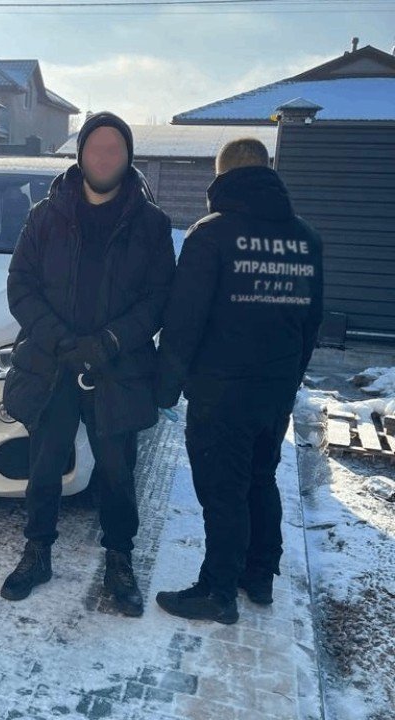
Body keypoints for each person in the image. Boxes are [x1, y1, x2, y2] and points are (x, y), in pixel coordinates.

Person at [1, 111, 176, 616]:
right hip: (52, 364)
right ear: (80, 154)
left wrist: (110, 342)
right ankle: (38, 552)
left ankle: (119, 559)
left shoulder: (151, 224)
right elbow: (21, 285)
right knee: (43, 467)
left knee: (118, 473)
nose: (104, 157)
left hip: (117, 368)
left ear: (128, 157)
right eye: (96, 147)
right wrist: (59, 340)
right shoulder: (45, 216)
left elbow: (159, 299)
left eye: (114, 149)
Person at [154, 138, 323, 624]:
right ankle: (259, 575)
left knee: (222, 491)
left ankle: (218, 591)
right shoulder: (306, 239)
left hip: (221, 393)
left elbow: (183, 321)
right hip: (275, 391)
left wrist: (164, 388)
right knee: (260, 478)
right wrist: (290, 381)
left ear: (221, 176)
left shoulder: (211, 234)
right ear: (268, 172)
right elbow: (311, 321)